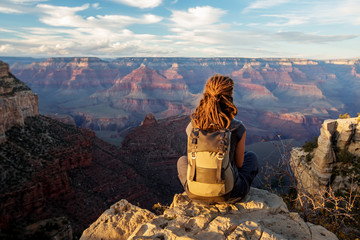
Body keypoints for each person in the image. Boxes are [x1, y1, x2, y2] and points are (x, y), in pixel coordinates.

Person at [177, 74, 259, 201]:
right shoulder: (237, 127)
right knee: (251, 157)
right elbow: (239, 163)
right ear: (229, 96)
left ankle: (200, 189)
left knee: (182, 160)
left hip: (195, 193)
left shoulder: (193, 125)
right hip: (229, 194)